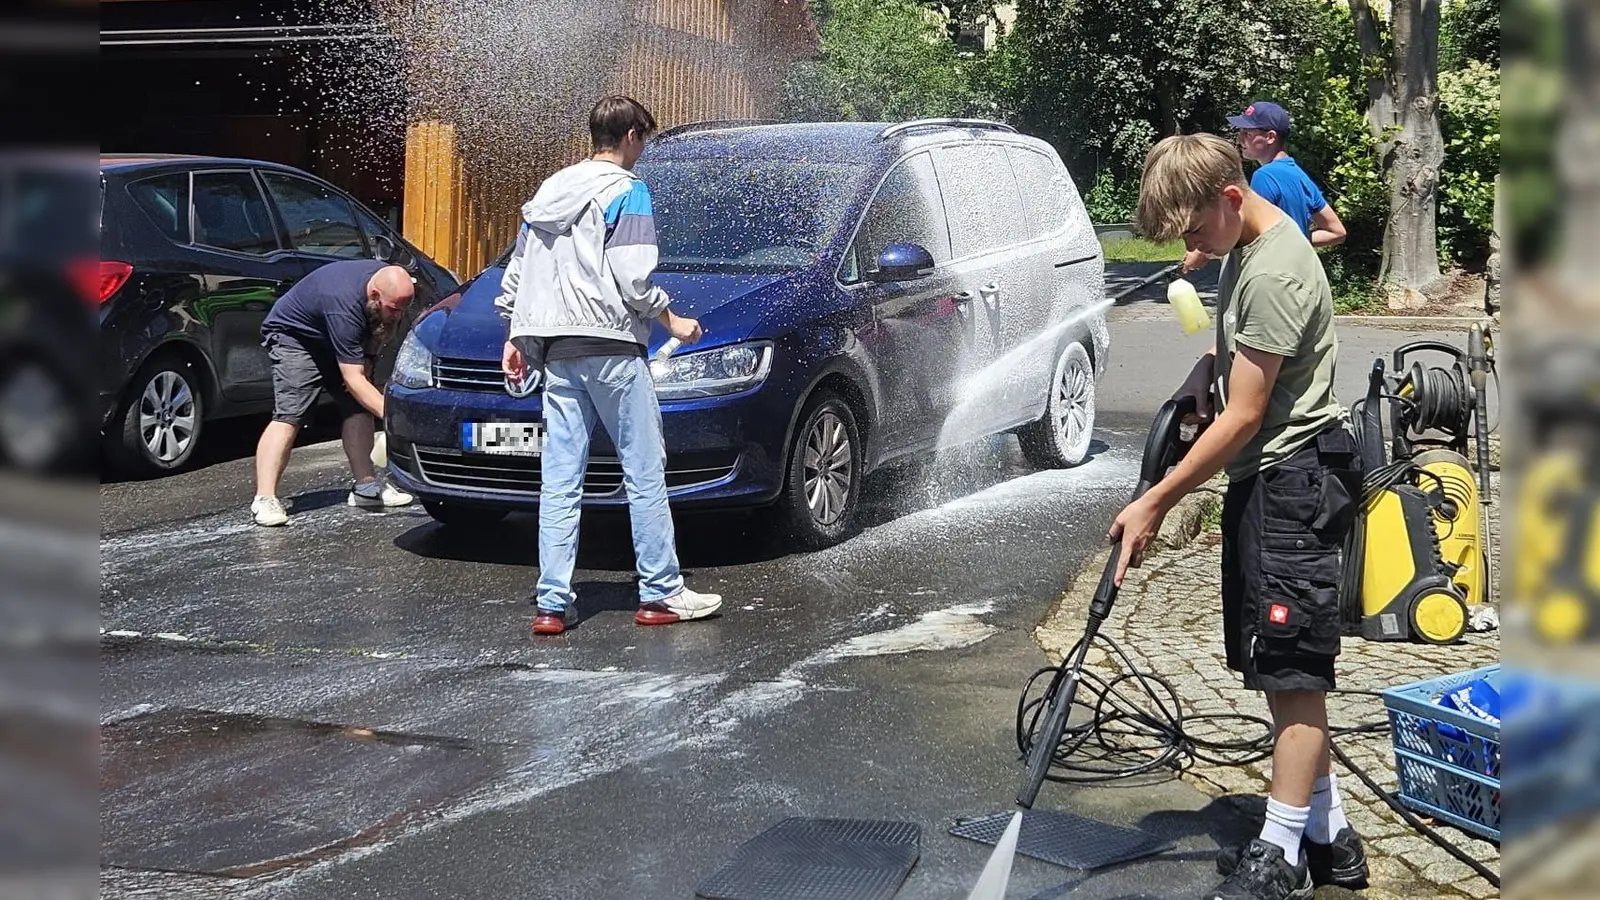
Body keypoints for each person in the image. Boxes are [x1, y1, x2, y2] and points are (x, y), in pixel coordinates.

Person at [1110, 134, 1366, 900]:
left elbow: (1248, 414)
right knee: (1278, 667)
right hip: (1276, 478)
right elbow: (1244, 372)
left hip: (1296, 479)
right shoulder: (1244, 246)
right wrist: (1203, 370)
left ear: (1230, 197)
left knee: (1295, 673)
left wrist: (1157, 498)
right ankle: (1331, 840)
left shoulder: (1277, 271)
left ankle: (1279, 856)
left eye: (1193, 232)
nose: (1191, 250)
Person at [498, 95, 723, 637]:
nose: (641, 150)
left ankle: (552, 604)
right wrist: (674, 321)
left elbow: (516, 277)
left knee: (560, 481)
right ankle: (662, 594)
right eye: (642, 139)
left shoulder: (549, 192)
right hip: (613, 350)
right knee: (643, 474)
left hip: (556, 352)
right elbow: (634, 276)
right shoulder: (628, 191)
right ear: (628, 137)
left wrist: (516, 336)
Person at [251, 260, 417, 526]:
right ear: (375, 295)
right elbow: (353, 379)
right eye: (394, 309)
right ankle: (265, 498)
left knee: (358, 408)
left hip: (335, 338)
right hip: (295, 338)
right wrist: (394, 416)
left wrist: (369, 361)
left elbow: (373, 335)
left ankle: (366, 487)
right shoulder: (343, 304)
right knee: (291, 413)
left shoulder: (383, 292)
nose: (398, 315)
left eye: (402, 310)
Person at [1182, 101, 1347, 274]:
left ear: (1270, 137)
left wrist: (1203, 252)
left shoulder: (1265, 176)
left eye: (1248, 133)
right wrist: (1295, 240)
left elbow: (1247, 234)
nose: (1239, 139)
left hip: (1270, 274)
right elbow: (1336, 232)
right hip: (1298, 272)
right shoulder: (1299, 175)